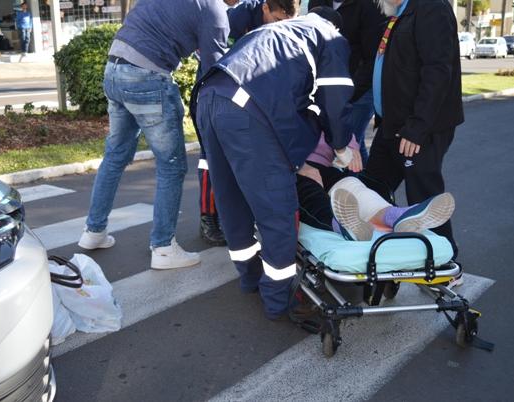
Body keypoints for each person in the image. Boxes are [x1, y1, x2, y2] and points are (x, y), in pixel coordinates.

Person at [195, 7, 356, 320]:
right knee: (277, 209)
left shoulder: (276, 33)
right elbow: (334, 100)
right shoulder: (331, 38)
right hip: (246, 112)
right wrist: (341, 146)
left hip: (208, 100)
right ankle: (279, 301)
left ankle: (250, 278)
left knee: (232, 199)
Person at [77, 0, 230, 271]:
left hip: (114, 68)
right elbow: (215, 71)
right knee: (172, 166)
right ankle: (163, 248)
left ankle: (93, 232)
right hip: (147, 76)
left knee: (115, 156)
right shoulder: (215, 12)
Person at [196, 0, 300, 246]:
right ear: (265, 8)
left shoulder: (279, 27)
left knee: (247, 160)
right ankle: (208, 217)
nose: (281, 27)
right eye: (277, 21)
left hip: (252, 101)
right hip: (217, 97)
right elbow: (211, 56)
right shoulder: (234, 20)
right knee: (212, 158)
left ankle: (241, 215)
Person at [366, 0, 463, 258]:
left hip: (420, 128)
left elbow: (438, 71)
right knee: (372, 188)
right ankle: (384, 252)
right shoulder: (399, 12)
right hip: (391, 125)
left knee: (423, 196)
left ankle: (445, 260)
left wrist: (417, 128)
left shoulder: (432, 8)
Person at [297, 134, 455, 243]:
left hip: (319, 162)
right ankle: (343, 226)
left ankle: (397, 216)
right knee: (308, 189)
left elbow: (336, 114)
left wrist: (347, 146)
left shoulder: (316, 91)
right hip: (287, 164)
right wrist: (299, 165)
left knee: (350, 184)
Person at [307, 0, 388, 163]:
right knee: (354, 143)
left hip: (360, 88)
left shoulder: (370, 6)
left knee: (347, 144)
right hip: (327, 86)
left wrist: (349, 93)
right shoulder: (317, 2)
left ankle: (355, 184)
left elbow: (372, 58)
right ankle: (368, 183)